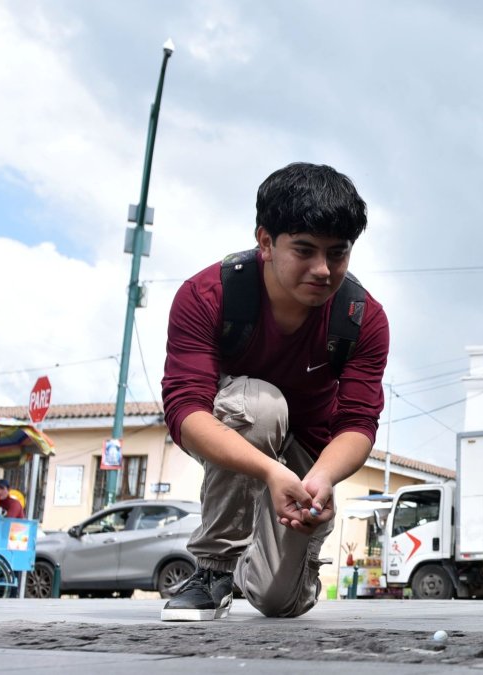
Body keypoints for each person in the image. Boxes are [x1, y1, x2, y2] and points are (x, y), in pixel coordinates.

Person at [160, 163, 389, 622]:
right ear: (265, 241)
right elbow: (185, 410)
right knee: (260, 406)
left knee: (278, 602)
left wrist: (320, 481)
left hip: (309, 449)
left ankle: (262, 567)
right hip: (244, 426)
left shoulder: (363, 319)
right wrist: (268, 471)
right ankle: (214, 569)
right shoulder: (208, 296)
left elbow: (358, 424)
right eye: (304, 250)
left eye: (337, 254)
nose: (323, 270)